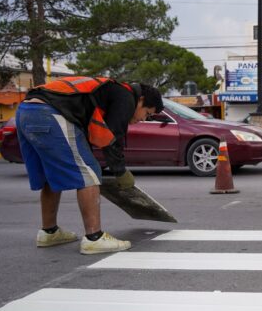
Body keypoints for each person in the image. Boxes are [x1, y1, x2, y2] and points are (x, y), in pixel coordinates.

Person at [16, 76, 163, 253]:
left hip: (26, 111)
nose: (144, 119)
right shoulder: (126, 97)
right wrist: (120, 172)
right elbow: (112, 139)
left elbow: (95, 135)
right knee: (90, 171)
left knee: (51, 174)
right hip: (50, 112)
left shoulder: (111, 91)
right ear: (140, 100)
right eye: (147, 113)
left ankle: (49, 232)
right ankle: (94, 238)